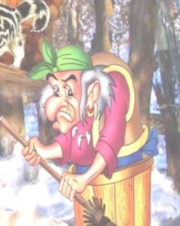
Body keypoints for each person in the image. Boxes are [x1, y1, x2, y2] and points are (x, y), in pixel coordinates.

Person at [21, 40, 158, 201]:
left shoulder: (114, 85)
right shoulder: (84, 95)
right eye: (56, 91)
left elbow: (111, 140)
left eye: (68, 91)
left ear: (93, 91)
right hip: (92, 178)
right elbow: (75, 138)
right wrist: (44, 151)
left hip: (123, 174)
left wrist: (85, 178)